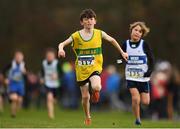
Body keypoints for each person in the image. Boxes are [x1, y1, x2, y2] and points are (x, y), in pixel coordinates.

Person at [58, 9, 128, 125]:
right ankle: (87, 116)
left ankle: (95, 91)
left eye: (91, 19)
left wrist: (122, 52)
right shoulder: (76, 35)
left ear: (95, 21)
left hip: (95, 67)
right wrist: (61, 49)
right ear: (82, 22)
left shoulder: (99, 33)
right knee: (85, 97)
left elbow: (112, 40)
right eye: (86, 19)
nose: (89, 21)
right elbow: (62, 43)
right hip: (81, 70)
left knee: (97, 86)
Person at [122, 22, 154, 125]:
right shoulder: (125, 44)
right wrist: (122, 61)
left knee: (145, 102)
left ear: (142, 34)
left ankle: (139, 113)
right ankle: (137, 119)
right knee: (135, 98)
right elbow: (119, 58)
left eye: (140, 31)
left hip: (143, 78)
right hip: (131, 77)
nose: (137, 33)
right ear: (131, 31)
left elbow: (151, 59)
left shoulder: (144, 44)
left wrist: (149, 71)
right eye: (135, 30)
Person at [3, 50, 26, 118]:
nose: (19, 58)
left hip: (20, 84)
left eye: (20, 57)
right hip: (12, 84)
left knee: (19, 100)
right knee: (14, 98)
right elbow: (3, 71)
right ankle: (13, 114)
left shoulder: (23, 64)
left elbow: (26, 75)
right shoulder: (11, 64)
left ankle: (16, 110)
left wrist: (24, 72)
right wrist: (5, 79)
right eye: (17, 57)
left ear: (22, 58)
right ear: (15, 57)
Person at [40, 48, 62, 119]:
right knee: (49, 98)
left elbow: (62, 73)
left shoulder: (57, 63)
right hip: (47, 83)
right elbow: (42, 72)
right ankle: (51, 115)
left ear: (54, 56)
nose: (49, 57)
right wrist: (42, 78)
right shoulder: (44, 63)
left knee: (54, 100)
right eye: (48, 56)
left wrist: (57, 76)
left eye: (51, 56)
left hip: (56, 85)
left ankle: (53, 103)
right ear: (46, 56)